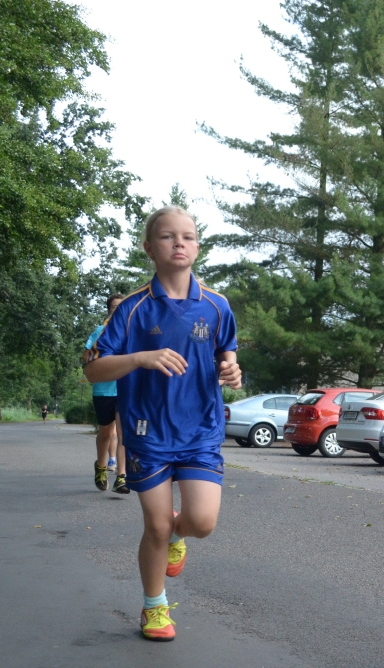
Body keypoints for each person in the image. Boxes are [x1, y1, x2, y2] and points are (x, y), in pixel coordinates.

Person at [83, 206, 241, 642]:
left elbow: (227, 352)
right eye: (169, 237)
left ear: (197, 246)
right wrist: (140, 358)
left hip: (200, 430)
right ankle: (154, 606)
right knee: (155, 526)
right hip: (146, 432)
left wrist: (232, 369)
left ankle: (180, 533)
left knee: (203, 521)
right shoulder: (133, 309)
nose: (179, 243)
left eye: (188, 236)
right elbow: (94, 371)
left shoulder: (217, 305)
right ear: (149, 247)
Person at [84, 294, 129, 494]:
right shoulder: (99, 332)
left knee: (122, 435)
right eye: (113, 307)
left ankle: (121, 476)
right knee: (106, 432)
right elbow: (87, 358)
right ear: (109, 309)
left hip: (125, 389)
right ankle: (101, 466)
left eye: (121, 307)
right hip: (103, 390)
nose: (116, 310)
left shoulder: (131, 333)